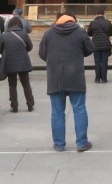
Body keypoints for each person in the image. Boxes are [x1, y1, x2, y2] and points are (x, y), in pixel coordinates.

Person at [38, 12, 94, 152]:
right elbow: (89, 49)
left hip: (55, 76)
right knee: (79, 109)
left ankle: (59, 144)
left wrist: (53, 61)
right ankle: (82, 143)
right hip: (75, 75)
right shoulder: (80, 32)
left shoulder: (49, 33)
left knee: (57, 112)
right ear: (73, 20)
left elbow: (42, 53)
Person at [1, 16, 35, 113]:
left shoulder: (5, 35)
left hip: (10, 62)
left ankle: (14, 106)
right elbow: (30, 46)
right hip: (23, 62)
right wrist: (23, 51)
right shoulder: (23, 33)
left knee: (12, 85)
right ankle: (30, 104)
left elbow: (0, 48)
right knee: (26, 84)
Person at [87, 8, 112, 83]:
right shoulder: (108, 22)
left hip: (95, 45)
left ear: (96, 14)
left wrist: (95, 34)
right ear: (103, 14)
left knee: (97, 62)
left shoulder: (93, 23)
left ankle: (97, 78)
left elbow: (89, 33)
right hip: (105, 44)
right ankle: (104, 78)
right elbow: (111, 33)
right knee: (104, 62)